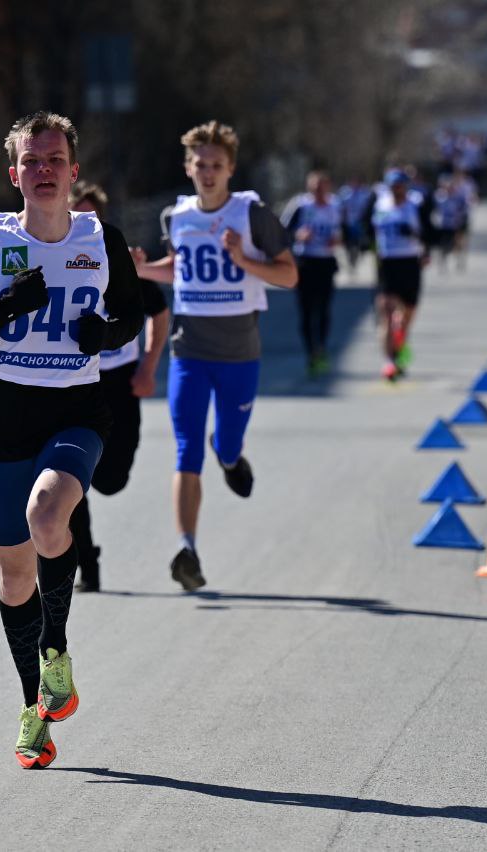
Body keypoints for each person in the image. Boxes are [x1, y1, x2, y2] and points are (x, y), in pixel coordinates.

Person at [0, 112, 144, 768]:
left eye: (55, 160)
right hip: (0, 419)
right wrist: (3, 311)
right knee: (14, 572)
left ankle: (56, 651)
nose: (44, 171)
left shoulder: (99, 237)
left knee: (49, 516)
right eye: (32, 160)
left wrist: (100, 337)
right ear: (14, 174)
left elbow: (131, 317)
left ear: (75, 173)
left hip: (76, 412)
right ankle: (36, 707)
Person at [134, 120, 297, 591]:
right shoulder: (177, 217)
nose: (207, 173)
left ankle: (229, 457)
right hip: (190, 352)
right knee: (185, 450)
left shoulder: (252, 215)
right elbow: (179, 270)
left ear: (231, 169)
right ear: (188, 168)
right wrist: (145, 268)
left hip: (240, 355)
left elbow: (288, 276)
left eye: (216, 166)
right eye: (200, 165)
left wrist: (244, 259)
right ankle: (188, 548)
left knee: (224, 443)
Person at [62, 181, 170, 593]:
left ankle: (86, 553)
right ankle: (86, 562)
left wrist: (149, 366)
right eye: (78, 215)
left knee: (110, 479)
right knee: (70, 479)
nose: (85, 223)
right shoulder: (55, 258)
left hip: (121, 382)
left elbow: (159, 313)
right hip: (75, 383)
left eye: (92, 216)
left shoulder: (120, 259)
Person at [366, 168, 428, 381]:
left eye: (400, 186)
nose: (396, 190)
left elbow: (429, 231)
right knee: (387, 314)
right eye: (393, 186)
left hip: (410, 263)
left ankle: (400, 345)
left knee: (406, 316)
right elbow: (366, 227)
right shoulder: (379, 204)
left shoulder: (415, 205)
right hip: (387, 263)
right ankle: (389, 361)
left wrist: (423, 246)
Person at [281, 171, 342, 377]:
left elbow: (346, 231)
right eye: (314, 187)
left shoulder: (335, 206)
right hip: (305, 262)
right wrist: (298, 235)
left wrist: (338, 240)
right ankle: (311, 351)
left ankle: (321, 348)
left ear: (328, 187)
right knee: (306, 311)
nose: (318, 191)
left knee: (324, 309)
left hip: (326, 262)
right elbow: (281, 232)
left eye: (322, 187)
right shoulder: (300, 206)